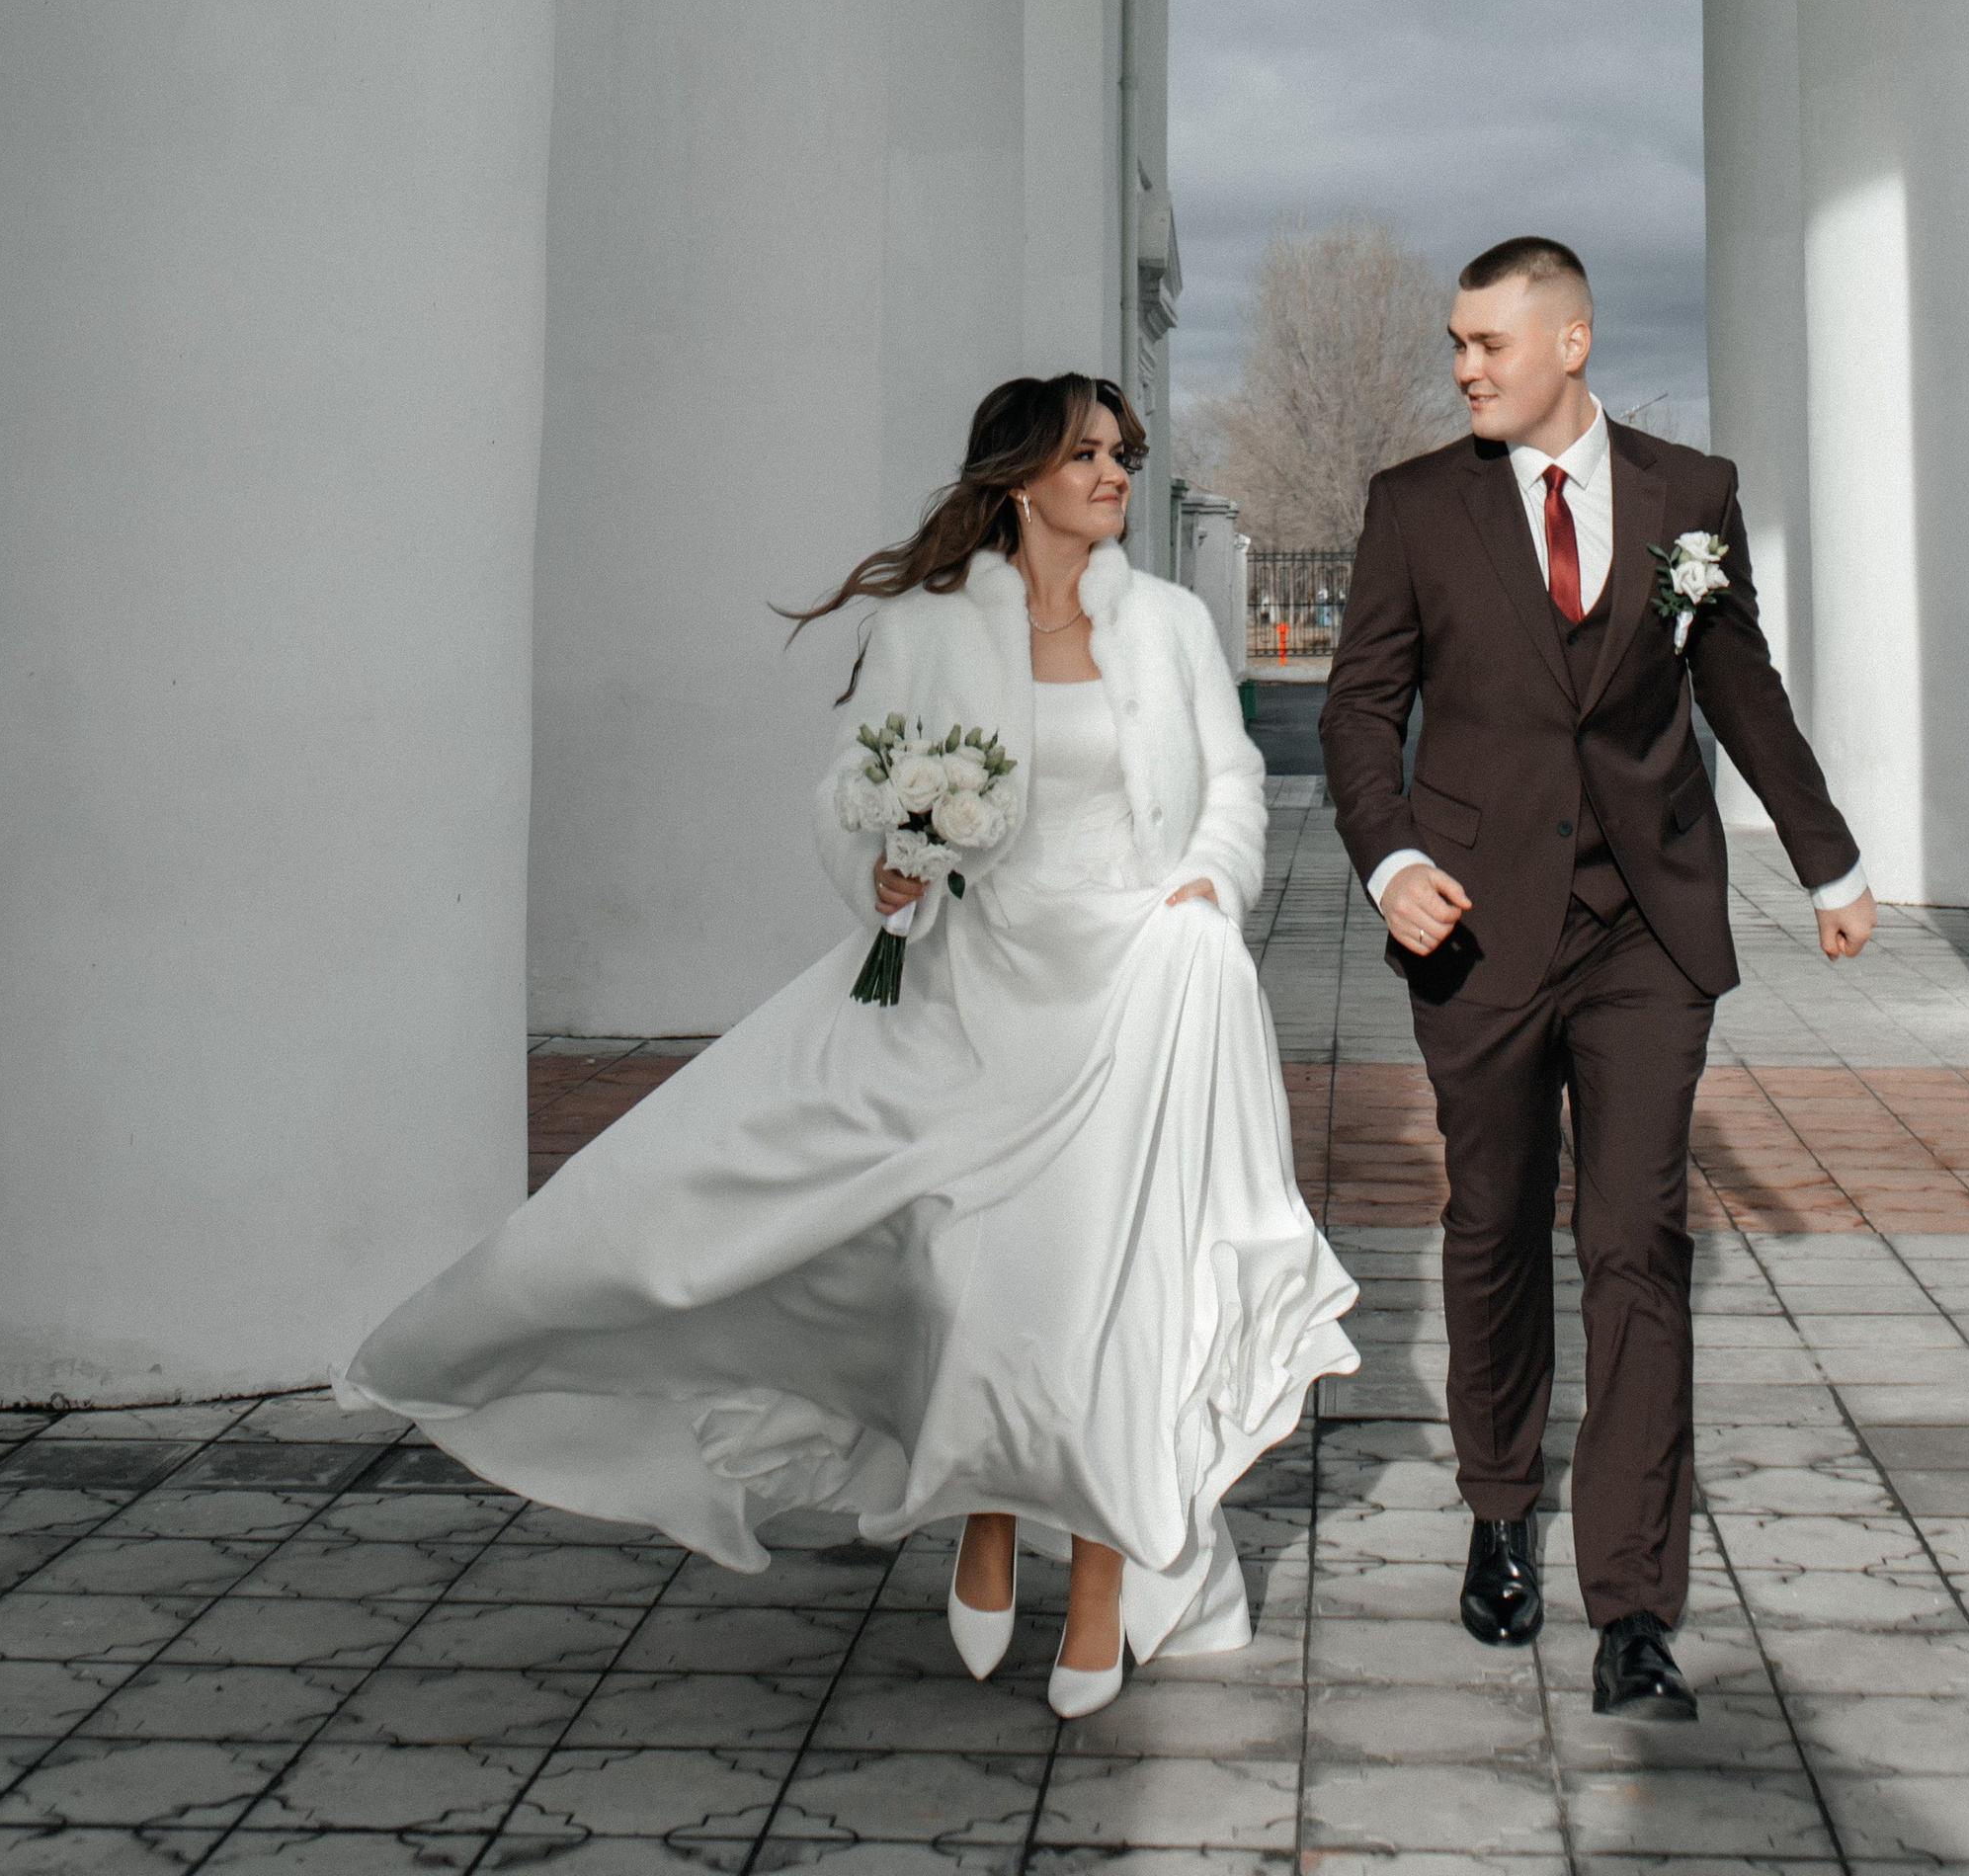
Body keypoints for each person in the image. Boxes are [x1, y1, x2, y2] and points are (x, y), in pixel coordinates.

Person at [344, 373, 1356, 1719]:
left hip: (1136, 988)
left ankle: (1104, 1587)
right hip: (975, 988)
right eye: (1089, 456)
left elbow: (1227, 785)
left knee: (1122, 1294)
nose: (1116, 476)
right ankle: (986, 1515)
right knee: (967, 1280)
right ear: (1018, 479)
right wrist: (882, 869)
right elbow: (852, 790)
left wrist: (1206, 885)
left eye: (1125, 454)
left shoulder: (1169, 625)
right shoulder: (925, 628)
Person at [1320, 239, 1869, 1721]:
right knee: (1494, 1222)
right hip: (1477, 930)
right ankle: (1500, 1508)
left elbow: (1739, 684)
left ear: (1570, 340)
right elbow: (1362, 709)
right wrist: (1389, 863)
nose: (1463, 368)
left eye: (1487, 342)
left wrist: (1828, 861)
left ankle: (1635, 1603)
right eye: (1455, 344)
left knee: (1634, 1241)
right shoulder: (1416, 508)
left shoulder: (1692, 498)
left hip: (1646, 936)